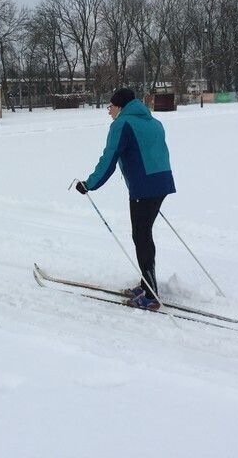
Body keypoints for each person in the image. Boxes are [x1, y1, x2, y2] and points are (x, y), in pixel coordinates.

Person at [75, 88, 176, 310]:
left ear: (120, 107)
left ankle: (150, 294)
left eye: (110, 106)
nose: (108, 111)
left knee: (141, 237)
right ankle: (145, 284)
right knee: (144, 235)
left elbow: (109, 158)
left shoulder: (122, 124)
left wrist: (89, 184)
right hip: (162, 183)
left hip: (144, 188)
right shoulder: (154, 122)